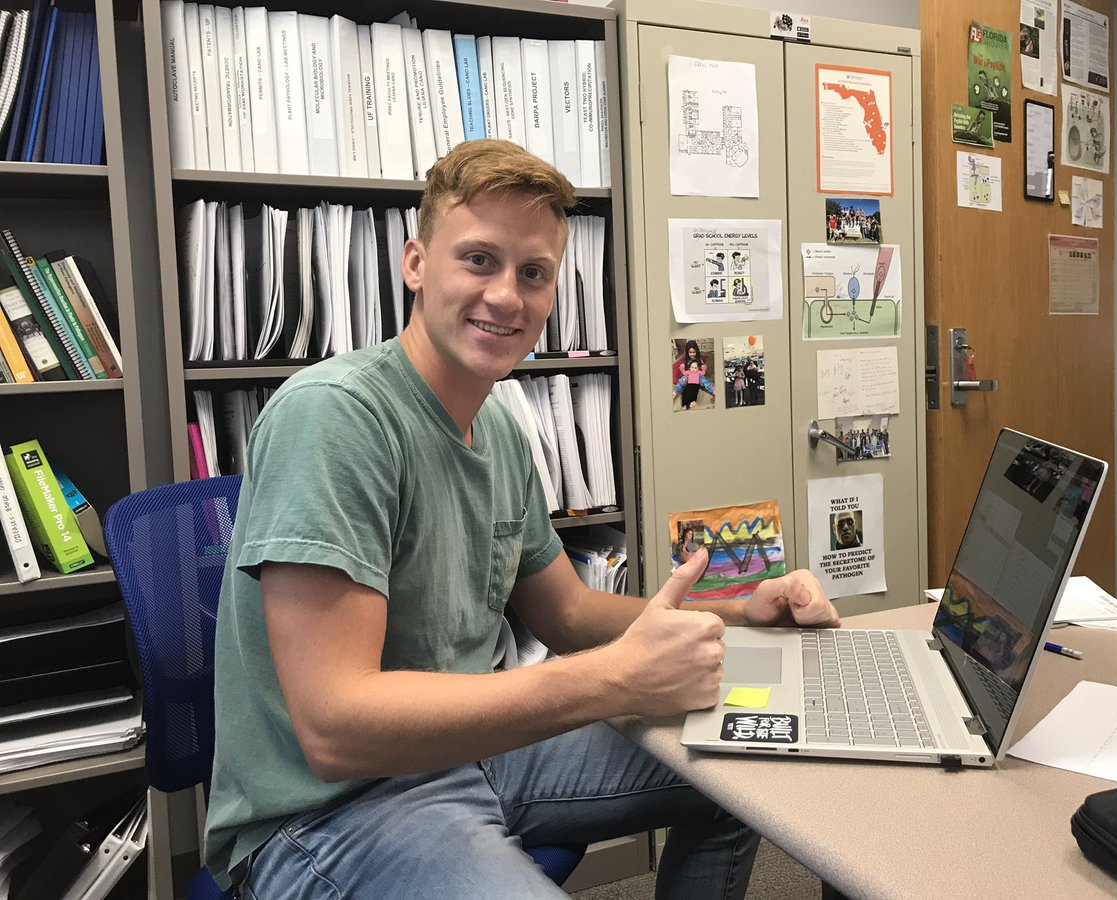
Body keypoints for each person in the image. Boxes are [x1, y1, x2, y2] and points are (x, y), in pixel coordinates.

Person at [203, 139, 840, 899]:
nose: (507, 296)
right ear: (415, 263)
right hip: (327, 813)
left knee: (748, 772)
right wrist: (614, 681)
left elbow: (567, 612)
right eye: (478, 259)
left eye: (533, 272)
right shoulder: (336, 417)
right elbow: (337, 728)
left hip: (470, 755)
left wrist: (739, 612)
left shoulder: (497, 426)